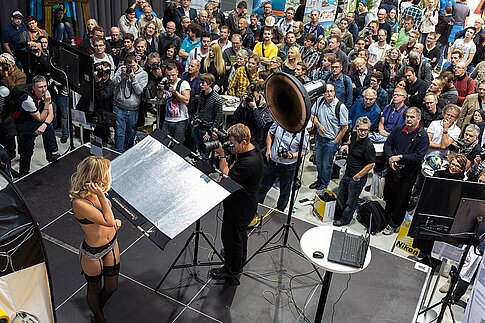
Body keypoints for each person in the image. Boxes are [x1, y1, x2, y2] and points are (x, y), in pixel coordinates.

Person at [70, 156, 121, 323]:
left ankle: (98, 307)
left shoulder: (98, 191)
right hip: (93, 252)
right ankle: (98, 318)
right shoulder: (79, 202)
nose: (108, 176)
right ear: (95, 176)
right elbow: (107, 220)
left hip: (111, 243)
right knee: (94, 288)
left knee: (112, 287)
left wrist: (114, 225)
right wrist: (101, 195)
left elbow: (108, 221)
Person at [209, 123, 263, 281]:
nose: (230, 146)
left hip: (240, 207)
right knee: (240, 235)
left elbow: (227, 177)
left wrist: (222, 155)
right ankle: (239, 260)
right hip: (246, 204)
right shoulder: (253, 147)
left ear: (244, 142)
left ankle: (231, 271)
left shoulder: (248, 163)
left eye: (233, 144)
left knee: (230, 237)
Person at [382, 107, 429, 235]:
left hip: (408, 173)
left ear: (418, 119)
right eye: (407, 116)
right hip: (393, 169)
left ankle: (394, 224)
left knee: (401, 200)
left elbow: (418, 156)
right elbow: (388, 144)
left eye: (412, 117)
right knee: (389, 195)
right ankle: (386, 217)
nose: (408, 119)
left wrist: (400, 157)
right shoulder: (398, 129)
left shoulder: (422, 136)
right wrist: (391, 158)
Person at [333, 117, 376, 226]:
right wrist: (345, 146)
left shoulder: (368, 146)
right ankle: (342, 214)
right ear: (356, 128)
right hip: (347, 173)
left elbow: (371, 164)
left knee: (351, 201)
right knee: (341, 196)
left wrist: (358, 176)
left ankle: (345, 219)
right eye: (361, 129)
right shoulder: (353, 136)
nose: (363, 132)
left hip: (357, 178)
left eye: (366, 130)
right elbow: (349, 142)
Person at [15, 75, 60, 176]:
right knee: (27, 150)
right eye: (40, 87)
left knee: (47, 126)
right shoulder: (27, 100)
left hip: (34, 122)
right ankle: (24, 174)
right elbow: (41, 118)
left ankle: (51, 154)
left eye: (45, 86)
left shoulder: (47, 93)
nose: (43, 89)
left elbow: (51, 114)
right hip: (21, 124)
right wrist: (47, 103)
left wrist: (44, 125)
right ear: (34, 88)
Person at [258, 123, 309, 212]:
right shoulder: (278, 123)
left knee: (285, 190)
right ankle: (257, 205)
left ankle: (280, 210)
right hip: (273, 162)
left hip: (288, 166)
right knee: (264, 185)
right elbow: (270, 133)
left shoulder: (302, 133)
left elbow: (305, 150)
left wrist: (292, 155)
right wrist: (269, 149)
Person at [309, 84, 349, 191]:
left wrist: (335, 142)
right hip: (320, 138)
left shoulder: (340, 107)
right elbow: (312, 115)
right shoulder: (320, 101)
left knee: (326, 166)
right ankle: (319, 180)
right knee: (318, 162)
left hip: (331, 141)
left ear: (335, 92)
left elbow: (345, 127)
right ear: (323, 93)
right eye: (327, 91)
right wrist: (319, 125)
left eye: (331, 91)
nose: (329, 94)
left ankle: (323, 185)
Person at [112, 55, 148, 152]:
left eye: (133, 65)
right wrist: (121, 75)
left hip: (133, 110)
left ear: (137, 63)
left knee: (130, 133)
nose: (131, 68)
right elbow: (113, 83)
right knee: (119, 133)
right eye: (129, 66)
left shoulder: (143, 74)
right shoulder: (121, 70)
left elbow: (139, 91)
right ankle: (117, 152)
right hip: (119, 107)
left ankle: (127, 153)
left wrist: (133, 78)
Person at [192, 73, 223, 159]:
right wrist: (196, 119)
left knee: (205, 155)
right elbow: (198, 109)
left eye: (203, 83)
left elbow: (218, 117)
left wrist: (210, 132)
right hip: (199, 126)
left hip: (208, 129)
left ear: (209, 84)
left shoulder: (217, 99)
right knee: (199, 151)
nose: (201, 85)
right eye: (200, 83)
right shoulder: (201, 95)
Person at [158, 63, 191, 143]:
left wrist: (175, 92)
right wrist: (160, 90)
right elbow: (159, 97)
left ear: (177, 72)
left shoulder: (183, 83)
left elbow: (186, 100)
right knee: (164, 143)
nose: (171, 78)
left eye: (173, 75)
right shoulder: (164, 81)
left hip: (180, 120)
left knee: (178, 145)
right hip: (167, 119)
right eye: (168, 75)